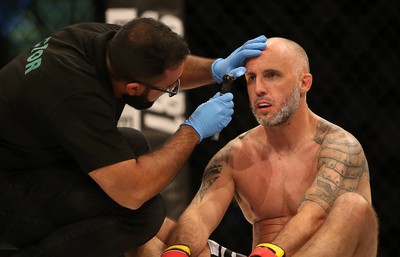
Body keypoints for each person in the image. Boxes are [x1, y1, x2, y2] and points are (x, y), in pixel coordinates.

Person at [0, 17, 267, 257]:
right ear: (133, 88)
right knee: (141, 216)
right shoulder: (76, 96)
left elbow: (168, 69)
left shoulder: (103, 41)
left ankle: (197, 250)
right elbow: (133, 192)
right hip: (9, 194)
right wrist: (193, 129)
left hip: (27, 161)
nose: (174, 88)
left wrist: (215, 68)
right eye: (170, 88)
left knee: (134, 145)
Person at [159, 37, 379, 257]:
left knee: (353, 206)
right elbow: (199, 215)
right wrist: (179, 251)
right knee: (144, 228)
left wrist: (269, 253)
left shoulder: (338, 147)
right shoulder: (235, 154)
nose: (259, 89)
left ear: (304, 83)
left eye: (272, 75)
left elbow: (314, 215)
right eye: (251, 78)